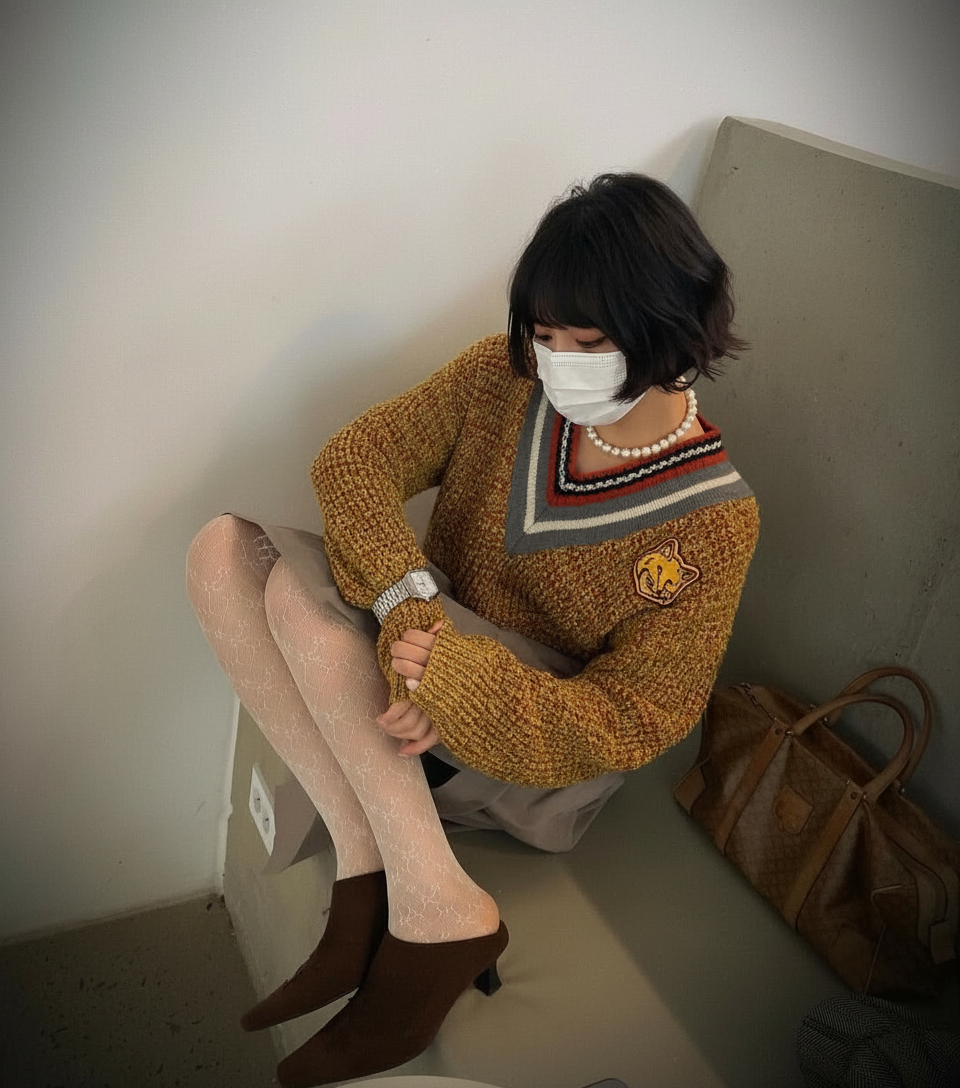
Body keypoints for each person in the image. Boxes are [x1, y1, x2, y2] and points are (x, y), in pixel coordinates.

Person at [186, 172, 759, 1087]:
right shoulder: (502, 378)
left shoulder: (714, 521)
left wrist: (457, 686)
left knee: (294, 601)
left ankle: (435, 908)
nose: (558, 361)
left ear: (671, 329)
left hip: (530, 755)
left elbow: (640, 716)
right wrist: (412, 623)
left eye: (589, 342)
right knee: (220, 552)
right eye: (544, 334)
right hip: (416, 663)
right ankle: (374, 868)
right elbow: (354, 460)